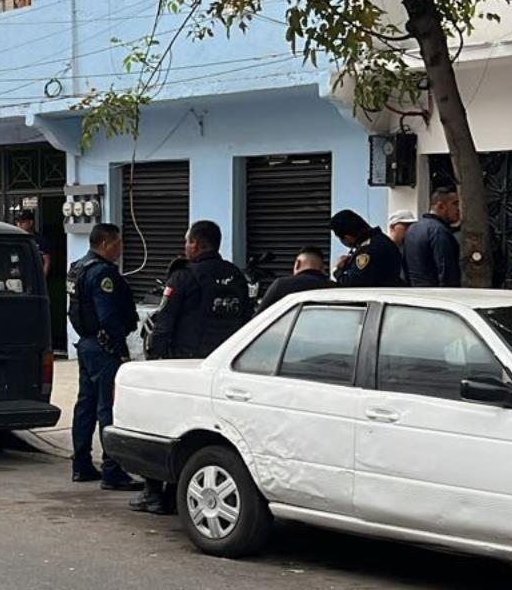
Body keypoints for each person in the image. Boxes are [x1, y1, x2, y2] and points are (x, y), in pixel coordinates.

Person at [132, 220, 252, 514]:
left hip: (184, 365)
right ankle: (178, 491)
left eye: (187, 242)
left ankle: (153, 493)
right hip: (225, 367)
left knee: (161, 425)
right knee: (203, 431)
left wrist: (155, 360)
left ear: (195, 244)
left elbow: (164, 322)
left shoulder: (183, 277)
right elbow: (248, 321)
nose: (185, 247)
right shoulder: (236, 277)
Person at [66, 223, 142, 491]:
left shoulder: (78, 267)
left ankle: (81, 464)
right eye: (118, 244)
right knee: (107, 408)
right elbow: (108, 315)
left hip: (87, 345)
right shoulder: (102, 274)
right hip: (104, 348)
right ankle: (112, 470)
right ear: (106, 243)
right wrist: (121, 349)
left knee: (85, 405)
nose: (120, 249)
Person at [403, 187, 461, 287]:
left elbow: (405, 268)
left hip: (415, 294)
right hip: (436, 296)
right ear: (441, 206)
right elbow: (446, 270)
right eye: (455, 204)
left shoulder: (413, 229)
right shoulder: (438, 231)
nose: (459, 209)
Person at [330, 209, 403, 287]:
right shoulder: (381, 240)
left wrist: (338, 270)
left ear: (348, 237)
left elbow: (351, 284)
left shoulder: (368, 251)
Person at [255, 246, 336, 314]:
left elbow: (257, 319)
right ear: (322, 268)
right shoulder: (334, 288)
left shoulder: (281, 285)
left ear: (297, 264)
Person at [14, 209, 52, 278]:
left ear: (31, 222)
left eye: (22, 222)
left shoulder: (40, 240)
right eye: (17, 222)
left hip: (35, 275)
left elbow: (47, 260)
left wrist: (42, 278)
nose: (19, 224)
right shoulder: (15, 239)